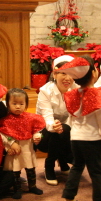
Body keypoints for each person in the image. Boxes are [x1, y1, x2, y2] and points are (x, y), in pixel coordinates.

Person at [58, 56, 101, 201]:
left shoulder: (73, 94)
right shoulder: (96, 95)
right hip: (91, 139)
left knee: (77, 166)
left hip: (75, 138)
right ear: (93, 73)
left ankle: (69, 194)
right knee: (96, 171)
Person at [0, 88, 46, 199]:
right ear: (8, 104)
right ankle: (17, 189)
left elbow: (36, 130)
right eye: (14, 104)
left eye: (21, 104)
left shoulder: (31, 118)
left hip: (27, 147)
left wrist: (37, 136)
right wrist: (11, 143)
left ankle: (32, 186)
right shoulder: (5, 120)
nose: (18, 106)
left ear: (26, 104)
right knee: (15, 171)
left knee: (30, 168)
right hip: (15, 149)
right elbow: (2, 134)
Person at [35, 55, 75, 186]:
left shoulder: (75, 90)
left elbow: (74, 116)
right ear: (55, 74)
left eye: (70, 73)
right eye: (63, 73)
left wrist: (63, 128)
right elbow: (47, 117)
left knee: (66, 129)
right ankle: (49, 165)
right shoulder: (45, 91)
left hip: (65, 132)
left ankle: (62, 161)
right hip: (43, 134)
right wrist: (54, 126)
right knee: (58, 131)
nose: (67, 78)